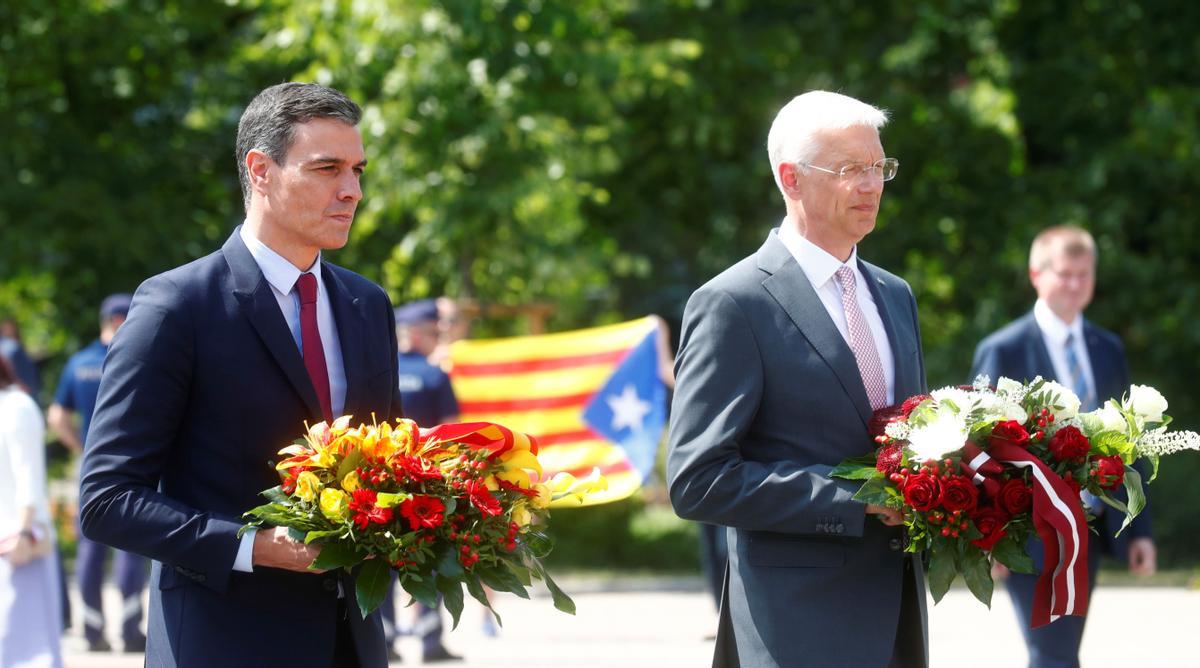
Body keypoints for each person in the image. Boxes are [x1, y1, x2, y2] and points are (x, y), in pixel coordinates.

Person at [78, 82, 403, 668]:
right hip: (223, 641)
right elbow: (107, 500)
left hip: (353, 641)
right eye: (327, 168)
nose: (352, 190)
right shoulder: (176, 306)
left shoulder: (367, 303)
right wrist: (258, 548)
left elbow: (390, 460)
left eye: (357, 169)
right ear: (261, 170)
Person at [666, 90, 928, 667]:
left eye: (879, 166)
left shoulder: (894, 295)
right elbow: (698, 479)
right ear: (791, 178)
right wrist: (858, 500)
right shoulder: (733, 303)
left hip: (897, 617)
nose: (872, 185)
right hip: (796, 626)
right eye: (849, 169)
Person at [970, 225, 1155, 668]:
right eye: (1065, 273)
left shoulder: (1107, 348)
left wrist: (1140, 529)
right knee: (1052, 653)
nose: (1075, 284)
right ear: (1037, 273)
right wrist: (988, 535)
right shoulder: (1004, 349)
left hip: (1091, 523)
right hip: (1029, 527)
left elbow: (1131, 442)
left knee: (1062, 650)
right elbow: (979, 446)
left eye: (1084, 274)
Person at [48, 293, 150, 652]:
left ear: (104, 320)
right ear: (125, 320)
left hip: (91, 465)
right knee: (130, 547)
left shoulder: (79, 363)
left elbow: (57, 417)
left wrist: (81, 447)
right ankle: (130, 629)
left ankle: (92, 630)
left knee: (90, 547)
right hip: (133, 463)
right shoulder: (139, 357)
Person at [379, 299, 462, 663]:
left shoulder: (384, 371)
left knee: (380, 560)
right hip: (428, 485)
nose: (438, 339)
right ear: (415, 333)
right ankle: (430, 642)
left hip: (383, 482)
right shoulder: (435, 374)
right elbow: (453, 432)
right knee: (428, 560)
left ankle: (384, 641)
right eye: (434, 332)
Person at [0, 354, 63, 667]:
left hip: (18, 548)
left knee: (27, 654)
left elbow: (29, 478)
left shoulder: (16, 407)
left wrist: (24, 533)